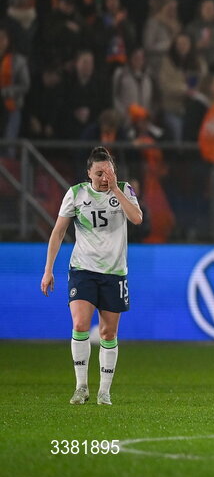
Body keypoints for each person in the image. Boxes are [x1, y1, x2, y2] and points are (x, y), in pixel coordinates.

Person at [40, 147, 144, 405]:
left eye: (108, 172)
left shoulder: (124, 190)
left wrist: (116, 190)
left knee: (108, 333)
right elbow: (58, 232)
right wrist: (48, 269)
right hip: (83, 269)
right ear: (89, 174)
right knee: (80, 325)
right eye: (99, 173)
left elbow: (138, 219)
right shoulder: (76, 194)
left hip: (114, 272)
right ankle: (81, 386)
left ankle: (104, 391)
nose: (104, 178)